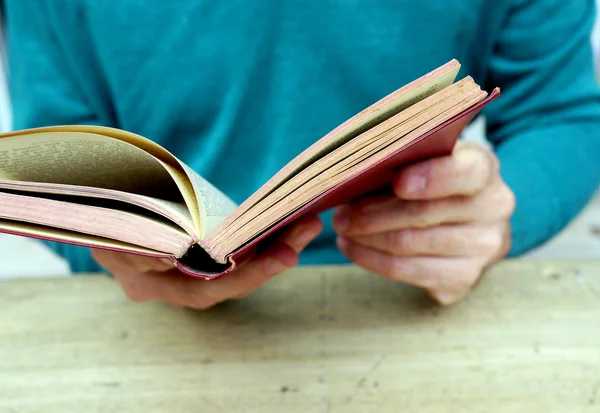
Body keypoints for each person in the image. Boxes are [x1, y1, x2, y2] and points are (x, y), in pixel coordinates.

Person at [4, 0, 600, 307]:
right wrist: (111, 246)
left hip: (415, 299)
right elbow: (57, 158)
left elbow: (561, 113)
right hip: (148, 324)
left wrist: (501, 216)